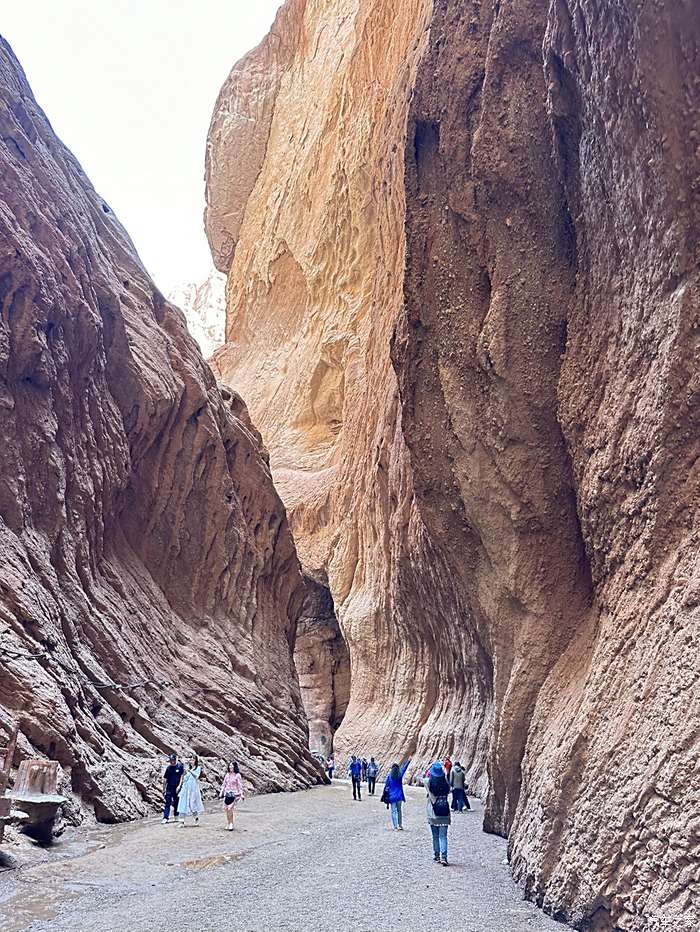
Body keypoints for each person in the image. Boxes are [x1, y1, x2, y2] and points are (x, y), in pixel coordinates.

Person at [426, 760, 451, 865]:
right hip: (444, 813)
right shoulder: (446, 784)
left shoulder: (428, 783)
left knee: (435, 836)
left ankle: (436, 856)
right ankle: (444, 857)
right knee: (443, 836)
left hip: (433, 813)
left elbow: (424, 776)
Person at [178, 752, 205, 826]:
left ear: (196, 761)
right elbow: (184, 778)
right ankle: (182, 821)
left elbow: (196, 776)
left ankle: (196, 818)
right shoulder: (188, 769)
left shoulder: (198, 768)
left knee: (192, 804)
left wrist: (190, 771)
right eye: (191, 760)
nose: (191, 761)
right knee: (183, 802)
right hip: (186, 787)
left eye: (193, 760)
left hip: (193, 788)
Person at [382, 760, 410, 829]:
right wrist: (408, 761)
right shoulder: (400, 775)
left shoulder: (389, 776)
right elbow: (404, 768)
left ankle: (395, 826)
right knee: (399, 810)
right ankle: (400, 825)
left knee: (393, 811)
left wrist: (385, 794)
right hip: (399, 796)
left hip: (392, 796)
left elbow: (386, 786)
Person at [220, 761, 244, 831]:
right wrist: (221, 792)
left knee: (230, 808)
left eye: (231, 766)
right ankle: (228, 823)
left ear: (234, 767)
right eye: (229, 766)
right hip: (227, 794)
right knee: (227, 809)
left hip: (234, 794)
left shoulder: (237, 775)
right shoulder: (227, 775)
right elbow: (224, 784)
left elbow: (240, 786)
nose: (230, 767)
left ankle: (231, 824)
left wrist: (241, 794)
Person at [161, 753, 184, 823]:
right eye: (171, 760)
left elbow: (181, 777)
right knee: (167, 802)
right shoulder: (168, 768)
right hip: (169, 787)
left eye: (173, 760)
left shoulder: (180, 766)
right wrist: (163, 789)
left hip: (177, 787)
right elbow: (165, 779)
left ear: (175, 759)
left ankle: (176, 816)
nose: (172, 762)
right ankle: (165, 817)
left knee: (176, 802)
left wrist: (179, 786)